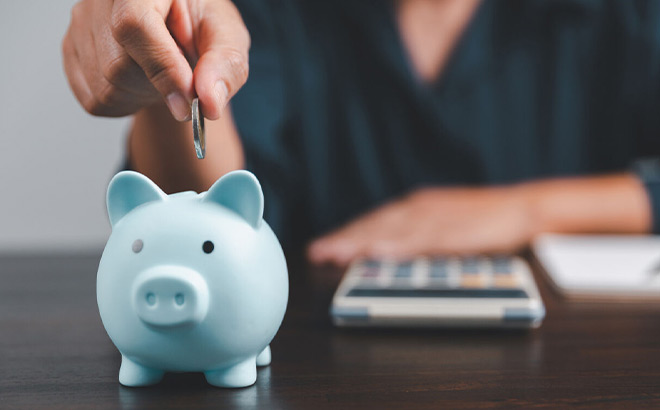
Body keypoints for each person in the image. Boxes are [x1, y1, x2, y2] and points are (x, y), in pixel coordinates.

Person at [63, 0, 660, 266]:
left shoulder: (625, 13)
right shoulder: (271, 13)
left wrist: (529, 211)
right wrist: (164, 66)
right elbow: (212, 219)